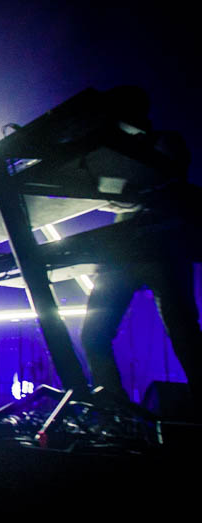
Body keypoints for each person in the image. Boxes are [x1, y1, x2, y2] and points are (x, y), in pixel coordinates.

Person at [80, 130, 201, 408]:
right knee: (95, 335)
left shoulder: (161, 140)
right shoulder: (127, 146)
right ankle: (117, 417)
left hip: (160, 248)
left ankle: (117, 416)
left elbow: (174, 173)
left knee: (184, 335)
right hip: (129, 251)